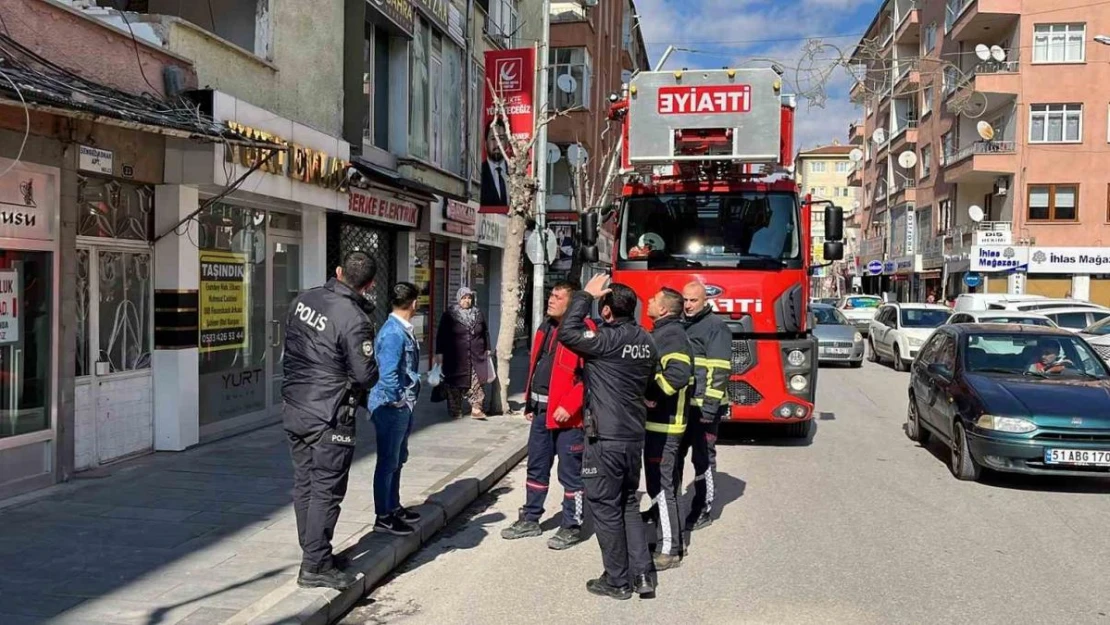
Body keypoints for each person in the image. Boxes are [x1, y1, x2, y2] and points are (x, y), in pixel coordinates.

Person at [282, 251, 380, 590]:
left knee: (304, 485)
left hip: (295, 405)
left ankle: (315, 554)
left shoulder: (304, 299)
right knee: (326, 489)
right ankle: (315, 566)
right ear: (369, 285)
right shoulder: (355, 319)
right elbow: (365, 375)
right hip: (329, 414)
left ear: (338, 272)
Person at [559, 274, 658, 600]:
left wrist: (583, 295)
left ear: (606, 312)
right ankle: (642, 575)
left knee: (604, 507)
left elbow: (568, 333)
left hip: (605, 439)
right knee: (627, 502)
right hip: (632, 436)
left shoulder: (604, 340)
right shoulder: (647, 341)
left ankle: (616, 581)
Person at [501, 281, 588, 550]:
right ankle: (530, 519)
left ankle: (572, 525)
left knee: (571, 473)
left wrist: (570, 406)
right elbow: (537, 365)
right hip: (541, 413)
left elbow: (590, 377)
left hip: (568, 419)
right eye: (550, 295)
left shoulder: (584, 332)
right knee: (537, 467)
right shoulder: (544, 328)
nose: (550, 300)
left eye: (557, 297)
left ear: (571, 304)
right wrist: (530, 403)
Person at [642, 287, 695, 572]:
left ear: (664, 309)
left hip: (664, 425)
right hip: (659, 424)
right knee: (667, 487)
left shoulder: (671, 335)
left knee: (662, 489)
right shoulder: (665, 332)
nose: (648, 301)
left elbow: (677, 375)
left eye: (653, 299)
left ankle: (668, 550)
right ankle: (673, 540)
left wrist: (651, 396)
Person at [368, 282, 423, 537]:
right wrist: (399, 401)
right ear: (413, 303)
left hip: (402, 405)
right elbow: (388, 374)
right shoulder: (393, 333)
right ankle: (384, 516)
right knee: (388, 461)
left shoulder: (402, 329)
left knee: (397, 459)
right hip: (391, 407)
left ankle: (394, 506)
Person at [679, 281, 731, 532]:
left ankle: (703, 509)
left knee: (703, 460)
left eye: (693, 301)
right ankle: (664, 508)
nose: (688, 305)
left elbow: (719, 372)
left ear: (704, 301)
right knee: (673, 459)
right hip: (682, 406)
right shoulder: (682, 324)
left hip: (704, 408)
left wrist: (709, 409)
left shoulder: (715, 327)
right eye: (685, 300)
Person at [435, 287, 492, 420]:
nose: (467, 301)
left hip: (476, 355)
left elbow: (485, 332)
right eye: (464, 298)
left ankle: (476, 409)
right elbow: (441, 335)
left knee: (477, 381)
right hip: (455, 357)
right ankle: (455, 409)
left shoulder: (478, 313)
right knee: (455, 383)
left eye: (469, 298)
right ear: (458, 299)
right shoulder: (450, 314)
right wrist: (439, 353)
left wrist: (488, 348)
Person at [480, 119, 511, 206]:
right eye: (493, 139)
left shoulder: (514, 173)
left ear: (507, 143)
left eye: (501, 139)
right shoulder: (479, 172)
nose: (497, 144)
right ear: (485, 144)